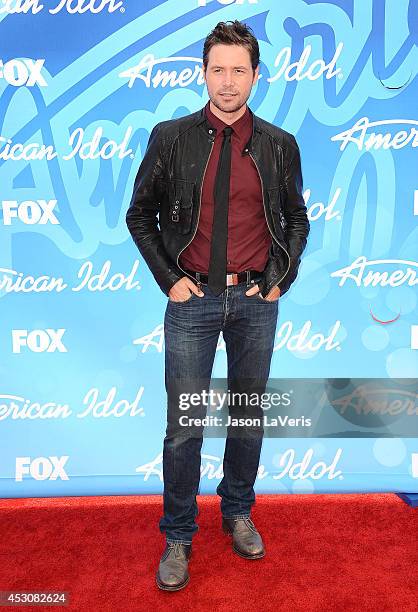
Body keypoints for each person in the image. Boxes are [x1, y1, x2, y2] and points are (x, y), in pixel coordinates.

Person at [126, 19, 310, 591]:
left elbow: (297, 220)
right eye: (217, 69)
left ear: (257, 75)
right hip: (193, 299)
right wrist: (170, 280)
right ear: (202, 73)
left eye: (239, 70)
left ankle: (237, 512)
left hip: (257, 300)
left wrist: (282, 276)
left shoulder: (280, 145)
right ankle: (179, 534)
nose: (227, 82)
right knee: (184, 428)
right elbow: (140, 215)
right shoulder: (171, 136)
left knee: (247, 416)